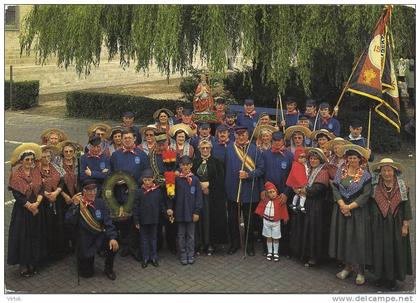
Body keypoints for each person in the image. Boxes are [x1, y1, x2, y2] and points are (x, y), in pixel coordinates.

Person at [329, 144, 372, 286]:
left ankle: (360, 271)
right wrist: (342, 204)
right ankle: (347, 267)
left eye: (355, 158)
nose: (352, 160)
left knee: (357, 240)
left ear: (360, 160)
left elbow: (366, 194)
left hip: (357, 212)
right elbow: (335, 188)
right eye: (350, 158)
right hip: (341, 210)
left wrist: (350, 206)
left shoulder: (365, 175)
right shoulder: (341, 170)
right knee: (344, 238)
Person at [370, 158, 413, 291]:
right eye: (384, 171)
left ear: (394, 172)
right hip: (379, 223)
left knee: (394, 250)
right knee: (379, 249)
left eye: (389, 170)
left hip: (396, 223)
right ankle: (380, 276)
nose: (387, 173)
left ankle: (392, 279)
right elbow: (370, 205)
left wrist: (405, 225)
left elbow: (406, 207)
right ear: (380, 172)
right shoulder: (374, 186)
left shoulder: (402, 186)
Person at [65, 180, 119, 280]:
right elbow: (69, 221)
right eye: (89, 191)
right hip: (85, 240)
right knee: (86, 274)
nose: (92, 193)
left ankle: (109, 268)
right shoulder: (78, 204)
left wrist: (112, 237)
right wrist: (75, 206)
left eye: (94, 190)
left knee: (113, 244)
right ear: (83, 191)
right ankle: (84, 260)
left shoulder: (101, 203)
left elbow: (108, 222)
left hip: (99, 236)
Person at [7, 143, 47, 277]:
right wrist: (30, 206)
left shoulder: (36, 171)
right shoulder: (16, 175)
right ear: (21, 161)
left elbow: (41, 188)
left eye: (31, 159)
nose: (30, 162)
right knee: (23, 237)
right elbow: (17, 195)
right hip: (22, 212)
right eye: (27, 160)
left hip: (36, 208)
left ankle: (33, 261)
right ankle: (23, 264)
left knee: (35, 235)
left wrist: (37, 203)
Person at [110, 128, 150, 258]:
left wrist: (131, 182)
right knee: (123, 222)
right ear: (121, 139)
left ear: (134, 139)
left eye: (129, 138)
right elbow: (111, 173)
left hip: (136, 194)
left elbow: (146, 174)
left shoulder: (142, 155)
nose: (127, 140)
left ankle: (135, 248)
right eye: (124, 138)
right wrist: (116, 181)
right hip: (121, 194)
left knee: (135, 222)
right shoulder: (115, 155)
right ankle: (126, 246)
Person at [224, 126, 264, 256]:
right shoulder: (229, 149)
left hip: (249, 192)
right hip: (233, 191)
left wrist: (248, 175)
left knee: (249, 220)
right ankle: (235, 244)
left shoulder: (255, 150)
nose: (241, 137)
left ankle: (249, 245)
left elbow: (261, 170)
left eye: (243, 134)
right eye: (238, 134)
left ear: (248, 135)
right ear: (235, 135)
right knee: (233, 220)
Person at [289, 148, 331, 267]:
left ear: (320, 160)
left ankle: (314, 256)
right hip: (305, 203)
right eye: (311, 158)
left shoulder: (323, 172)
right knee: (303, 228)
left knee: (313, 230)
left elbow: (318, 189)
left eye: (315, 159)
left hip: (316, 205)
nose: (313, 160)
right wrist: (296, 188)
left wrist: (303, 190)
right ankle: (303, 253)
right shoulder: (307, 169)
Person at [192, 140, 228, 256]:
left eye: (207, 148)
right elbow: (191, 178)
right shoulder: (195, 162)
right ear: (199, 149)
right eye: (203, 148)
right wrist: (200, 186)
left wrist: (209, 185)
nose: (205, 150)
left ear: (211, 149)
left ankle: (210, 243)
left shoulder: (217, 162)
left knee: (209, 219)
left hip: (212, 197)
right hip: (198, 196)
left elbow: (220, 180)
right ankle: (199, 243)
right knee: (199, 219)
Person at [261, 131, 294, 257]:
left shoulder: (289, 156)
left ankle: (283, 249)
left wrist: (286, 193)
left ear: (283, 141)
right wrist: (262, 190)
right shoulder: (265, 154)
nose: (277, 142)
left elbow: (293, 176)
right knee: (267, 220)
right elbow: (261, 173)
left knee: (283, 222)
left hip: (283, 194)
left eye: (279, 140)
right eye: (274, 140)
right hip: (268, 194)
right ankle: (267, 248)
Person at [167, 156, 203, 265]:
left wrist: (197, 211)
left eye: (188, 164)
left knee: (191, 235)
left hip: (191, 212)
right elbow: (171, 195)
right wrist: (170, 208)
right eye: (183, 165)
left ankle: (190, 254)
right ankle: (182, 253)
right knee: (181, 235)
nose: (185, 167)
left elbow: (199, 197)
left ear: (191, 165)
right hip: (180, 212)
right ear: (180, 166)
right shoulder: (176, 179)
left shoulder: (195, 180)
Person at [133, 168, 167, 268]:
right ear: (142, 180)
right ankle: (145, 258)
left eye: (149, 180)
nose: (147, 182)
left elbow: (161, 205)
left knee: (153, 239)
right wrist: (136, 220)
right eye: (145, 180)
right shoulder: (139, 192)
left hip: (154, 219)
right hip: (143, 220)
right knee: (144, 240)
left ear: (153, 179)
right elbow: (135, 207)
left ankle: (154, 257)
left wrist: (166, 212)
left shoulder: (157, 191)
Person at [37, 145, 66, 260]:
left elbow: (62, 181)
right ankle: (46, 253)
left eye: (48, 156)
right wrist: (46, 194)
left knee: (57, 225)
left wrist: (56, 192)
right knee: (46, 226)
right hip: (43, 202)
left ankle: (58, 251)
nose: (47, 159)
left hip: (57, 200)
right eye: (44, 157)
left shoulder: (55, 166)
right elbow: (35, 185)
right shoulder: (36, 170)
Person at [56, 140, 82, 254]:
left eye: (71, 151)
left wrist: (78, 195)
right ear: (62, 152)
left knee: (77, 221)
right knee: (64, 221)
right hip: (63, 196)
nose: (68, 153)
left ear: (74, 152)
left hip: (77, 195)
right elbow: (55, 182)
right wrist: (64, 195)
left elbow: (82, 180)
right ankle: (66, 246)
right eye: (66, 151)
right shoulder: (58, 165)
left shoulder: (79, 163)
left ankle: (76, 243)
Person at [255, 182, 289, 262]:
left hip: (276, 223)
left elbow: (284, 209)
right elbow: (260, 208)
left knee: (276, 238)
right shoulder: (264, 201)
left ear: (276, 191)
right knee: (268, 237)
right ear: (267, 193)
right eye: (270, 192)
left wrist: (285, 217)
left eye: (273, 191)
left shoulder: (279, 200)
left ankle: (276, 252)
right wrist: (260, 214)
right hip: (266, 222)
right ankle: (270, 252)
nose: (272, 194)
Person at [286, 147, 308, 212]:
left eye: (304, 157)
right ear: (296, 157)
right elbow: (296, 176)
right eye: (300, 157)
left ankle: (294, 204)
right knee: (302, 195)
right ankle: (301, 206)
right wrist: (302, 184)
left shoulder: (303, 165)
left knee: (298, 195)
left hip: (299, 184)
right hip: (298, 184)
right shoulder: (296, 165)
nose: (303, 159)